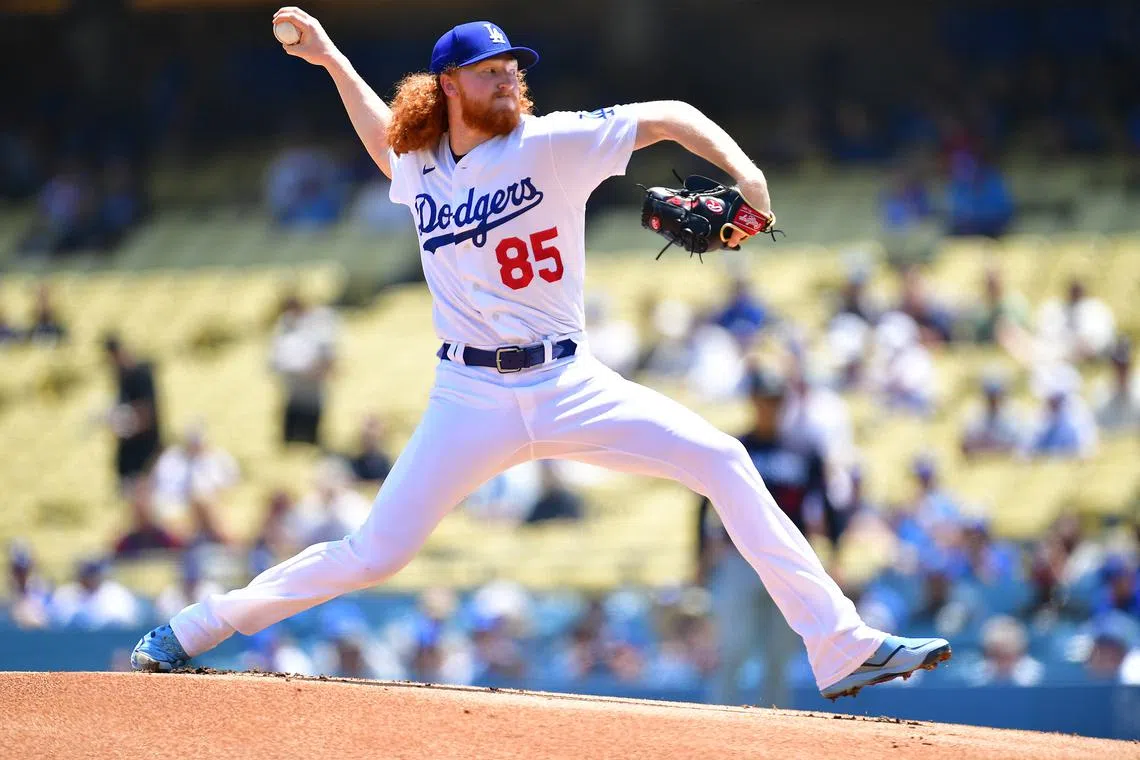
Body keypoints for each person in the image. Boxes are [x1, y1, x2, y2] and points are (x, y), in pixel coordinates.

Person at [131, 11, 950, 701]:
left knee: (724, 459)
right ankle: (196, 627)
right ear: (448, 85)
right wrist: (332, 58)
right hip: (468, 398)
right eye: (489, 72)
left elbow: (666, 112)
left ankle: (838, 645)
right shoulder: (421, 170)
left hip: (568, 381)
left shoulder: (553, 142)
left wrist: (747, 174)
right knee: (374, 553)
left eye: (512, 69)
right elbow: (384, 138)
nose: (509, 81)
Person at [698, 369, 841, 708]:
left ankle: (776, 729)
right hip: (740, 557)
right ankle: (718, 719)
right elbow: (703, 503)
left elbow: (826, 503)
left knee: (780, 651)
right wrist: (700, 556)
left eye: (775, 400)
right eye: (763, 400)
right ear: (753, 402)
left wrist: (836, 554)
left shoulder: (805, 448)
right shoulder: (738, 447)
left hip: (788, 560)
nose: (768, 407)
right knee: (734, 646)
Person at [269, 293, 337, 447]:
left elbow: (330, 360)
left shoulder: (319, 325)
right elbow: (274, 361)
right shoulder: (283, 327)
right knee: (290, 445)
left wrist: (315, 370)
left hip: (312, 398)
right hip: (292, 397)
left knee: (311, 445)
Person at [103, 334, 163, 494]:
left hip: (145, 456)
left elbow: (147, 414)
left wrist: (123, 422)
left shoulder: (141, 376)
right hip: (129, 460)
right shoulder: (120, 379)